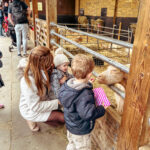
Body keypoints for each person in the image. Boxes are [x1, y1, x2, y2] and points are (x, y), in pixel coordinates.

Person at [58, 54, 107, 150]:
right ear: (89, 74)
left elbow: (77, 91)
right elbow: (88, 114)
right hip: (81, 131)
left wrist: (88, 83)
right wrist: (101, 109)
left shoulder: (67, 85)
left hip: (70, 126)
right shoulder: (84, 94)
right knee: (83, 147)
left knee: (72, 143)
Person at [18, 46, 65, 132]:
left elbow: (49, 87)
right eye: (47, 64)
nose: (51, 65)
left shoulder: (44, 69)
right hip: (31, 108)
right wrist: (57, 102)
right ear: (39, 64)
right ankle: (29, 119)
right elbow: (35, 106)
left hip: (44, 99)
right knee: (62, 119)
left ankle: (45, 118)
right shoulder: (28, 81)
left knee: (59, 122)